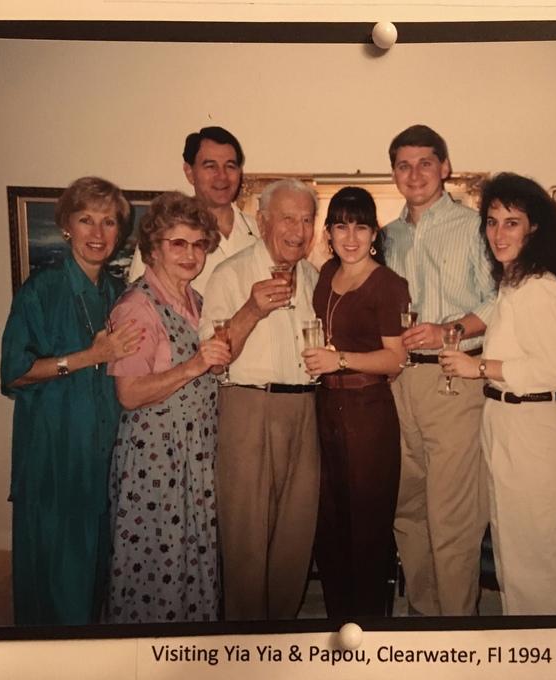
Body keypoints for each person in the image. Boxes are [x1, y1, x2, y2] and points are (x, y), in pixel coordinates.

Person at [0, 176, 143, 626]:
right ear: (66, 226)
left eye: (108, 222)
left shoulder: (118, 294)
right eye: (86, 220)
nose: (97, 233)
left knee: (94, 576)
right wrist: (88, 356)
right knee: (55, 580)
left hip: (101, 455)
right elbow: (15, 372)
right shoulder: (40, 291)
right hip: (53, 457)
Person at [439, 173, 556, 615]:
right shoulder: (513, 284)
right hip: (506, 423)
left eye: (512, 222)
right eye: (492, 221)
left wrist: (477, 366)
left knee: (538, 565)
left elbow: (553, 371)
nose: (499, 233)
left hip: (533, 431)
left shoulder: (540, 288)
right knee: (514, 562)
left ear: (534, 227)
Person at [383, 124, 495, 616]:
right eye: (404, 165)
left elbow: (497, 302)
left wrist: (447, 330)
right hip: (399, 380)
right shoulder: (384, 237)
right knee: (407, 507)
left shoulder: (475, 226)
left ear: (445, 167)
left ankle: (456, 626)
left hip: (453, 374)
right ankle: (423, 617)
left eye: (425, 162)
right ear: (394, 174)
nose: (415, 174)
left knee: (452, 513)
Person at [105, 191, 230, 623]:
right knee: (155, 571)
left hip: (192, 456)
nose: (191, 254)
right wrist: (196, 365)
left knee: (189, 566)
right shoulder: (137, 306)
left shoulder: (194, 300)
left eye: (198, 244)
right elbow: (130, 393)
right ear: (154, 248)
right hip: (156, 461)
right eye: (178, 243)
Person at [200, 178, 320, 620]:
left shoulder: (314, 276)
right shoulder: (229, 274)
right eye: (288, 217)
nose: (299, 229)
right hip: (249, 407)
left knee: (295, 535)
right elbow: (214, 360)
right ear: (264, 221)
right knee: (246, 539)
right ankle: (244, 650)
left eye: (307, 220)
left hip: (306, 410)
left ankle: (280, 641)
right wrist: (251, 309)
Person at [301, 187, 409, 617]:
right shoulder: (327, 272)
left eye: (361, 226)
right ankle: (337, 628)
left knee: (366, 529)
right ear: (328, 232)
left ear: (374, 233)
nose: (351, 236)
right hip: (325, 408)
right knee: (329, 528)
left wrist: (338, 359)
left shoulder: (388, 283)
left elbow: (396, 359)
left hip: (368, 411)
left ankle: (367, 637)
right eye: (341, 225)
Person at [129, 126, 259, 294]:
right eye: (211, 166)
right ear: (189, 172)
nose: (222, 176)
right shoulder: (161, 233)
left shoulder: (261, 233)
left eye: (230, 166)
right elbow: (139, 297)